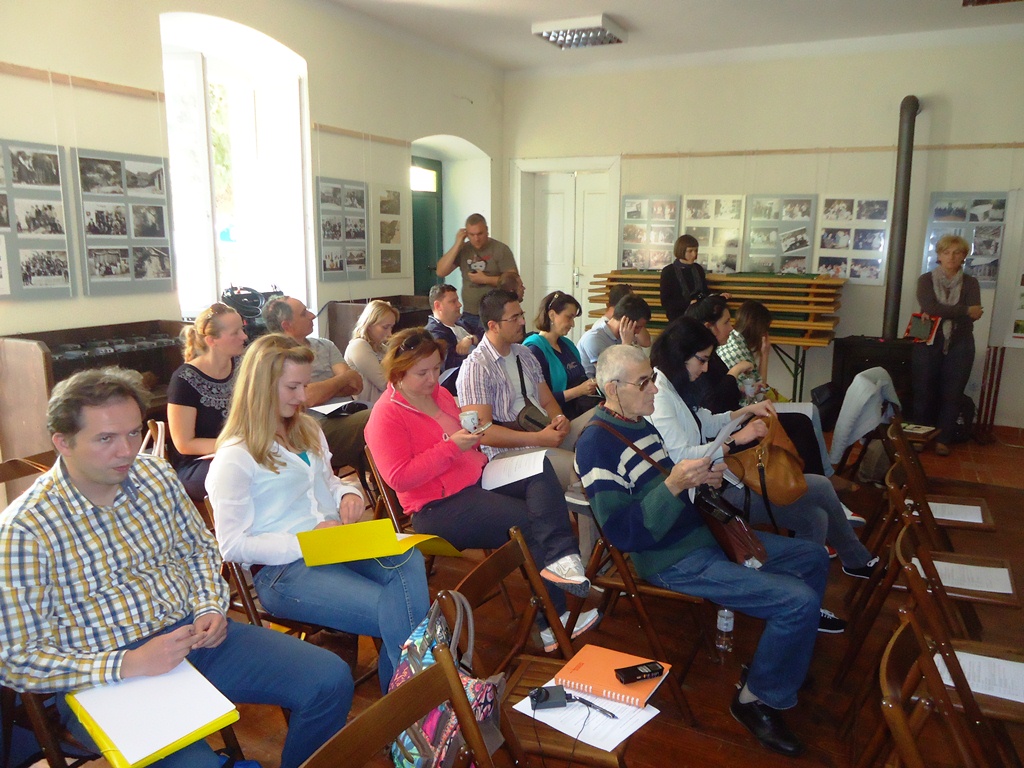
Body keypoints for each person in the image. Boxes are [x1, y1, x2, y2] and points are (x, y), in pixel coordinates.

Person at [0, 368, 350, 768]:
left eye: (134, 433)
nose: (127, 451)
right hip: (103, 676)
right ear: (63, 442)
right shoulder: (24, 530)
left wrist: (209, 607)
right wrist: (129, 663)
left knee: (329, 679)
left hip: (192, 635)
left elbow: (198, 550)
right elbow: (16, 659)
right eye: (105, 439)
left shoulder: (155, 475)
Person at [575, 345, 829, 757]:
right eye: (645, 382)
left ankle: (784, 663)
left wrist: (696, 482)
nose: (655, 389)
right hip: (670, 558)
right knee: (797, 602)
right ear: (613, 388)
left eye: (652, 379)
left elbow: (661, 488)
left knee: (813, 558)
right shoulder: (596, 445)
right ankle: (755, 700)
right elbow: (623, 533)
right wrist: (676, 485)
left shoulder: (639, 423)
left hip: (700, 535)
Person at [206, 334, 429, 691]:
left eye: (305, 385)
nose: (303, 397)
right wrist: (306, 542)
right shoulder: (236, 455)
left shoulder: (307, 429)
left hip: (334, 545)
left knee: (409, 558)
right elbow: (232, 546)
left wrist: (348, 494)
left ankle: (415, 702)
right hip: (284, 571)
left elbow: (330, 482)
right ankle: (425, 698)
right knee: (398, 609)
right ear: (260, 387)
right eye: (292, 387)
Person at [364, 328, 598, 651]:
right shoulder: (385, 416)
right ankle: (552, 622)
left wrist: (471, 435)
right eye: (422, 373)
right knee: (530, 521)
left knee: (539, 466)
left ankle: (562, 558)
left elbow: (467, 436)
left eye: (436, 368)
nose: (433, 379)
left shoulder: (439, 395)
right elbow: (399, 478)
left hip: (478, 478)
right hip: (437, 506)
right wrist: (452, 447)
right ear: (398, 373)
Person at [647, 318, 876, 587]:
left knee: (816, 514)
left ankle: (805, 588)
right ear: (680, 354)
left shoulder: (674, 387)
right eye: (702, 360)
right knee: (820, 491)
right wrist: (736, 439)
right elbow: (682, 457)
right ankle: (847, 566)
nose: (706, 368)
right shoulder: (660, 395)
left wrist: (747, 411)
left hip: (717, 481)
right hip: (708, 498)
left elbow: (705, 421)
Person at [262, 296, 369, 471]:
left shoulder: (326, 345)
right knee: (377, 418)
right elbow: (307, 397)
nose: (312, 315)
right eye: (304, 313)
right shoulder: (278, 355)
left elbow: (355, 385)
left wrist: (323, 390)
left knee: (388, 422)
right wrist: (341, 380)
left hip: (348, 413)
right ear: (287, 325)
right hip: (314, 425)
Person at [167, 302, 247, 500]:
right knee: (239, 475)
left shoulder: (244, 366)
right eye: (235, 333)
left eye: (242, 329)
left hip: (241, 452)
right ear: (212, 340)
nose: (244, 337)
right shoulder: (184, 379)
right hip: (198, 464)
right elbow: (185, 444)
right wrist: (238, 445)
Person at [912, 234, 983, 456]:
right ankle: (920, 436)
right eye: (946, 252)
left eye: (957, 252)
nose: (951, 257)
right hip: (927, 339)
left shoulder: (971, 283)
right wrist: (964, 310)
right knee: (922, 391)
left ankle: (944, 439)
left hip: (960, 342)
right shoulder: (925, 280)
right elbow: (930, 307)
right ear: (939, 255)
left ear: (963, 257)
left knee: (953, 394)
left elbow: (976, 313)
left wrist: (939, 311)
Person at [435, 213, 517, 337]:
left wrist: (486, 279)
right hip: (469, 313)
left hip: (493, 314)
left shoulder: (500, 249)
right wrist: (458, 244)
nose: (476, 238)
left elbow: (513, 281)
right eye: (472, 235)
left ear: (487, 230)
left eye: (480, 234)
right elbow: (441, 271)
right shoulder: (464, 249)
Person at [523, 291, 601, 421]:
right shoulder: (535, 350)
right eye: (569, 317)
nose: (572, 324)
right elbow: (538, 399)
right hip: (557, 417)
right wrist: (579, 390)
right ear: (552, 315)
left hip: (578, 410)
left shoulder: (567, 345)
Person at [577, 293, 652, 378]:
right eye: (637, 327)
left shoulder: (624, 335)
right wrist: (626, 345)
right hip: (594, 384)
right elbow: (610, 375)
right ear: (625, 321)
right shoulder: (594, 338)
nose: (638, 332)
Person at [344, 299, 399, 405]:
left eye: (391, 327)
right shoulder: (359, 345)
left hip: (385, 402)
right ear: (369, 325)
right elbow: (385, 383)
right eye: (385, 327)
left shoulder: (381, 347)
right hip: (370, 407)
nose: (390, 334)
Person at [425, 283, 478, 374]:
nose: (459, 305)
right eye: (453, 301)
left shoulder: (461, 323)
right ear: (438, 306)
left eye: (458, 300)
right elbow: (449, 365)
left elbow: (484, 333)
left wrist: (472, 339)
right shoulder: (434, 334)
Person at [660, 234, 710, 321]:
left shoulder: (698, 268)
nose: (694, 255)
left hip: (699, 314)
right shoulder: (668, 271)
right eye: (690, 251)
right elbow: (666, 302)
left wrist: (718, 296)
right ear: (681, 251)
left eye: (696, 250)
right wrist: (688, 303)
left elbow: (705, 291)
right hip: (678, 316)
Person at [602, 283, 652, 348]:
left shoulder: (625, 330)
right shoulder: (596, 338)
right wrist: (626, 344)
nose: (638, 332)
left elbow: (646, 342)